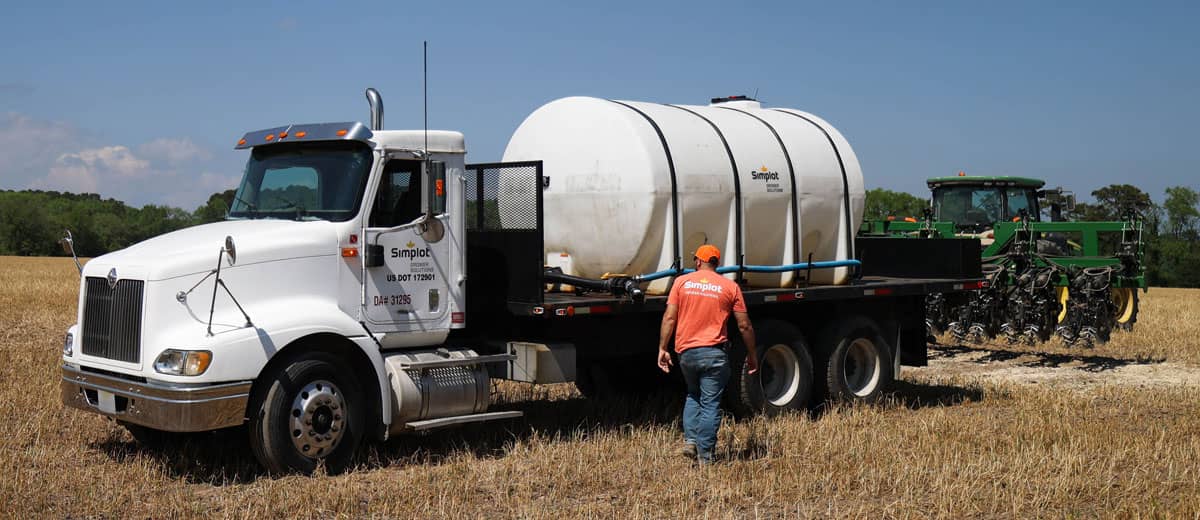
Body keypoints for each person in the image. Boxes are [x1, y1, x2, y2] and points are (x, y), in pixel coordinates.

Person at [657, 244, 757, 464]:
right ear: (717, 263)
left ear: (698, 261)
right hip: (714, 354)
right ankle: (706, 457)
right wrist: (752, 353)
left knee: (693, 395)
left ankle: (691, 442)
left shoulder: (681, 283)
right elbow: (744, 326)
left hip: (687, 353)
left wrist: (663, 348)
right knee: (710, 403)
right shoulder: (730, 287)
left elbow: (669, 318)